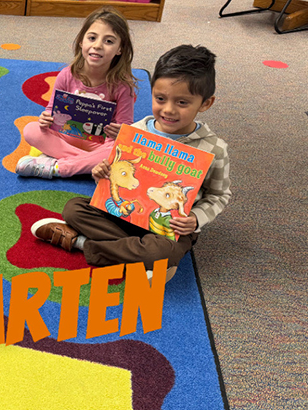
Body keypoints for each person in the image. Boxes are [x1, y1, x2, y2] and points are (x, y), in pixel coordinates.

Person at [31, 45, 230, 281]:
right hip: (123, 213)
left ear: (205, 104)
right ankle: (147, 261)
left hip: (168, 227)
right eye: (160, 98)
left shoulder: (214, 149)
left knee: (163, 249)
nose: (168, 110)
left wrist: (196, 218)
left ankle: (81, 243)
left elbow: (219, 196)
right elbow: (113, 177)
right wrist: (100, 173)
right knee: (74, 209)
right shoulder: (135, 132)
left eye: (182, 103)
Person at [16, 6, 137, 179]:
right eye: (92, 38)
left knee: (120, 150)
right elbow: (51, 110)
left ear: (120, 49)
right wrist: (46, 118)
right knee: (31, 130)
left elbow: (126, 127)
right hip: (66, 137)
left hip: (100, 144)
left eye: (109, 41)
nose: (97, 46)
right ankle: (87, 164)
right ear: (82, 42)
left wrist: (121, 131)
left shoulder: (123, 85)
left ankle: (58, 167)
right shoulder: (67, 74)